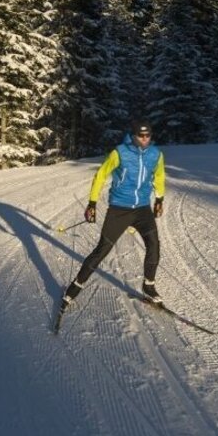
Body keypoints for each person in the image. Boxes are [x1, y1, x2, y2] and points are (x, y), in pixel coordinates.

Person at [60, 120, 165, 310]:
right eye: (140, 136)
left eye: (148, 135)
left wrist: (159, 199)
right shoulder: (120, 153)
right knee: (102, 250)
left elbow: (159, 176)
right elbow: (101, 175)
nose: (144, 139)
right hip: (119, 209)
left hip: (142, 209)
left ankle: (149, 286)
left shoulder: (155, 155)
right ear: (133, 136)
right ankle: (74, 288)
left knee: (154, 245)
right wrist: (92, 203)